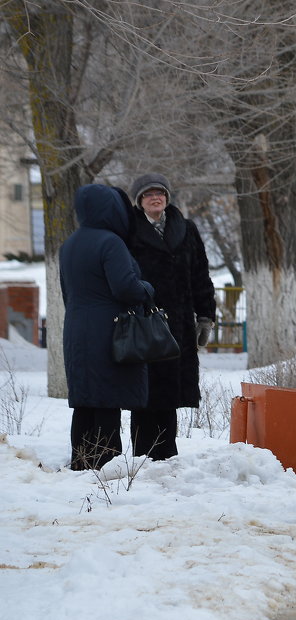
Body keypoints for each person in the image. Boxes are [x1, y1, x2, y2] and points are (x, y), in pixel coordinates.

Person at [60, 184, 155, 471]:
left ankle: (82, 461)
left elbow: (67, 293)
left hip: (77, 330)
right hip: (109, 333)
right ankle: (106, 465)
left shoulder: (69, 244)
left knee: (86, 401)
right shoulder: (110, 243)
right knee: (106, 400)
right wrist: (148, 287)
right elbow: (126, 288)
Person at [125, 173, 217, 461]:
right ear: (139, 201)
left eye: (161, 193)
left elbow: (201, 275)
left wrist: (205, 316)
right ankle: (143, 455)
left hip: (178, 323)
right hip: (143, 322)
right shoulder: (128, 231)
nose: (156, 197)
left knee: (171, 391)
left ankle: (168, 453)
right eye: (149, 194)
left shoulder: (185, 229)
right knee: (145, 392)